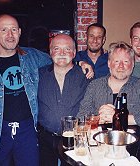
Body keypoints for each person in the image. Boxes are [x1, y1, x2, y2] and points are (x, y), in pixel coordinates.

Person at [0, 14, 93, 166]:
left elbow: (60, 57)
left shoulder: (33, 57)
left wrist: (80, 62)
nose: (10, 35)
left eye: (14, 29)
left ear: (19, 32)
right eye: (4, 30)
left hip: (28, 131)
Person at [77, 41, 140, 126]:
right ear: (109, 63)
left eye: (125, 61)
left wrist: (119, 117)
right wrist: (98, 118)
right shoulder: (94, 86)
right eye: (116, 61)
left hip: (132, 138)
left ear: (132, 64)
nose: (121, 66)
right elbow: (81, 117)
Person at [37, 34, 91, 166]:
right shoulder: (38, 74)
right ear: (50, 52)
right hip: (45, 138)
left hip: (75, 139)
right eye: (56, 49)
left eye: (67, 49)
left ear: (74, 53)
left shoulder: (86, 75)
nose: (61, 53)